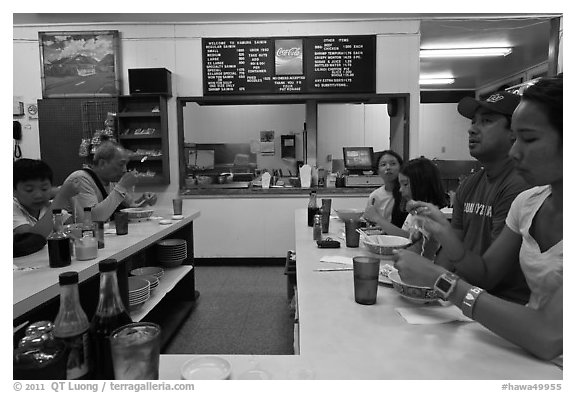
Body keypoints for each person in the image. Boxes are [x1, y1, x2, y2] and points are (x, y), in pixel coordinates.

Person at [395, 77, 562, 361]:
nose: (515, 151)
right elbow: (484, 272)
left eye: (529, 138)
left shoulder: (516, 188)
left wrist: (438, 279)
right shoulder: (528, 201)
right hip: (520, 349)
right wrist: (443, 230)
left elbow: (550, 336)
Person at [435, 90, 531, 304]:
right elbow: (452, 248)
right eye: (473, 122)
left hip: (502, 306)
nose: (472, 129)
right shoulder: (469, 184)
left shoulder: (519, 186)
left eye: (486, 121)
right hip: (464, 296)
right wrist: (427, 286)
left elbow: (488, 276)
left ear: (514, 132)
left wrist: (434, 278)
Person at [63, 140, 157, 222]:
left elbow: (128, 210)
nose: (124, 170)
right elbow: (92, 219)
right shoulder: (80, 179)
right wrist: (122, 187)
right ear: (102, 163)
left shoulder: (111, 181)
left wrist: (144, 201)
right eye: (121, 164)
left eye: (126, 165)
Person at [13, 159, 79, 256]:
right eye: (29, 190)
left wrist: (71, 197)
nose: (38, 195)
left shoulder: (47, 205)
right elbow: (31, 240)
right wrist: (62, 196)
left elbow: (75, 226)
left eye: (44, 188)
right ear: (14, 190)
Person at [396, 157, 448, 259]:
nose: (400, 190)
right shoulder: (414, 214)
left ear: (423, 185)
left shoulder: (435, 218)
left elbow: (424, 256)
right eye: (400, 184)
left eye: (405, 184)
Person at [363, 150, 408, 229]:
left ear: (401, 167)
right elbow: (370, 221)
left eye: (393, 164)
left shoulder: (407, 194)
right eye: (383, 164)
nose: (388, 168)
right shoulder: (375, 196)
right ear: (378, 171)